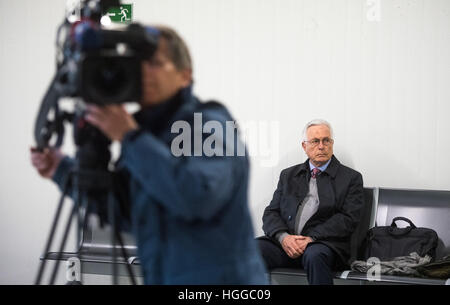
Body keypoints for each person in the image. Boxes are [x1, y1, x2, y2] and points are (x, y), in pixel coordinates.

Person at [31, 25, 267, 285]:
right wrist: (62, 169)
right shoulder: (144, 134)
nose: (143, 70)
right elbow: (127, 212)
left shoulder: (209, 121)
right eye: (138, 62)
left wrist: (129, 137)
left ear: (184, 76)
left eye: (155, 63)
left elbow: (198, 196)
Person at [257, 119, 364, 285]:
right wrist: (284, 238)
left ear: (332, 143)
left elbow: (348, 219)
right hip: (287, 245)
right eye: (315, 141)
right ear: (304, 146)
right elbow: (271, 212)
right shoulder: (288, 175)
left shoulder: (350, 178)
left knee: (315, 255)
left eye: (326, 140)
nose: (321, 146)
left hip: (324, 245)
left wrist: (311, 238)